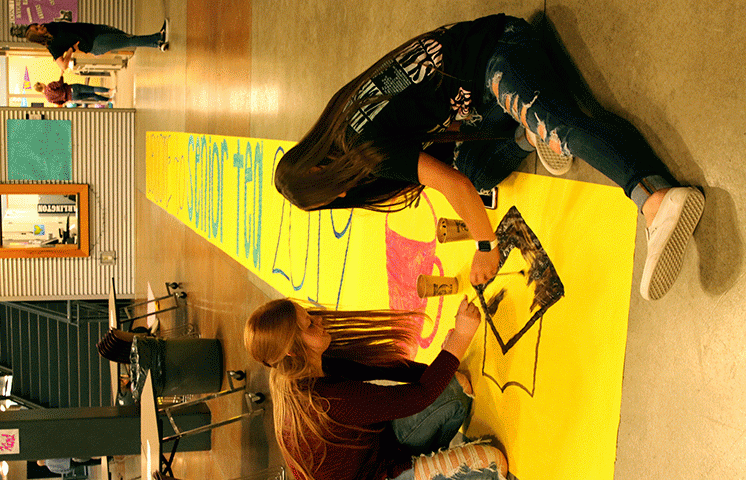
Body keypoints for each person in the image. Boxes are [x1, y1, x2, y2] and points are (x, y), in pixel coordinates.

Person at [274, 14, 704, 301]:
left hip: (500, 54)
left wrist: (487, 246)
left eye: (333, 193)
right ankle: (525, 135)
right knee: (478, 171)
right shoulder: (340, 117)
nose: (346, 193)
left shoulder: (364, 152)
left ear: (322, 173)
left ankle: (654, 197)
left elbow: (453, 187)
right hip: (475, 89)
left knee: (561, 131)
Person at [244, 297, 509, 480]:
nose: (319, 320)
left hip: (379, 455)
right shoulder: (324, 402)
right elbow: (418, 397)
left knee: (453, 390)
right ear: (291, 349)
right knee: (491, 469)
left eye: (310, 316)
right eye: (309, 324)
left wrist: (443, 362)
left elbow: (390, 370)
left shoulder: (302, 367)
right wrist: (459, 340)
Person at [18, 18, 169, 71]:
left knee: (126, 36)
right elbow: (62, 66)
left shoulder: (50, 26)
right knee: (128, 41)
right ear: (38, 36)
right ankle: (158, 38)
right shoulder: (52, 46)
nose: (40, 26)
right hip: (94, 43)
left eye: (37, 25)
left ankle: (157, 44)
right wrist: (71, 50)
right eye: (37, 28)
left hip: (94, 30)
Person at [34, 77, 113, 105]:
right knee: (92, 89)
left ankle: (110, 100)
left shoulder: (48, 99)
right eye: (40, 83)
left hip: (73, 98)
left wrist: (67, 98)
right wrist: (61, 74)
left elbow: (60, 103)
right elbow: (59, 83)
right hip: (72, 89)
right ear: (40, 85)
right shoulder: (49, 87)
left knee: (92, 95)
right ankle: (110, 90)